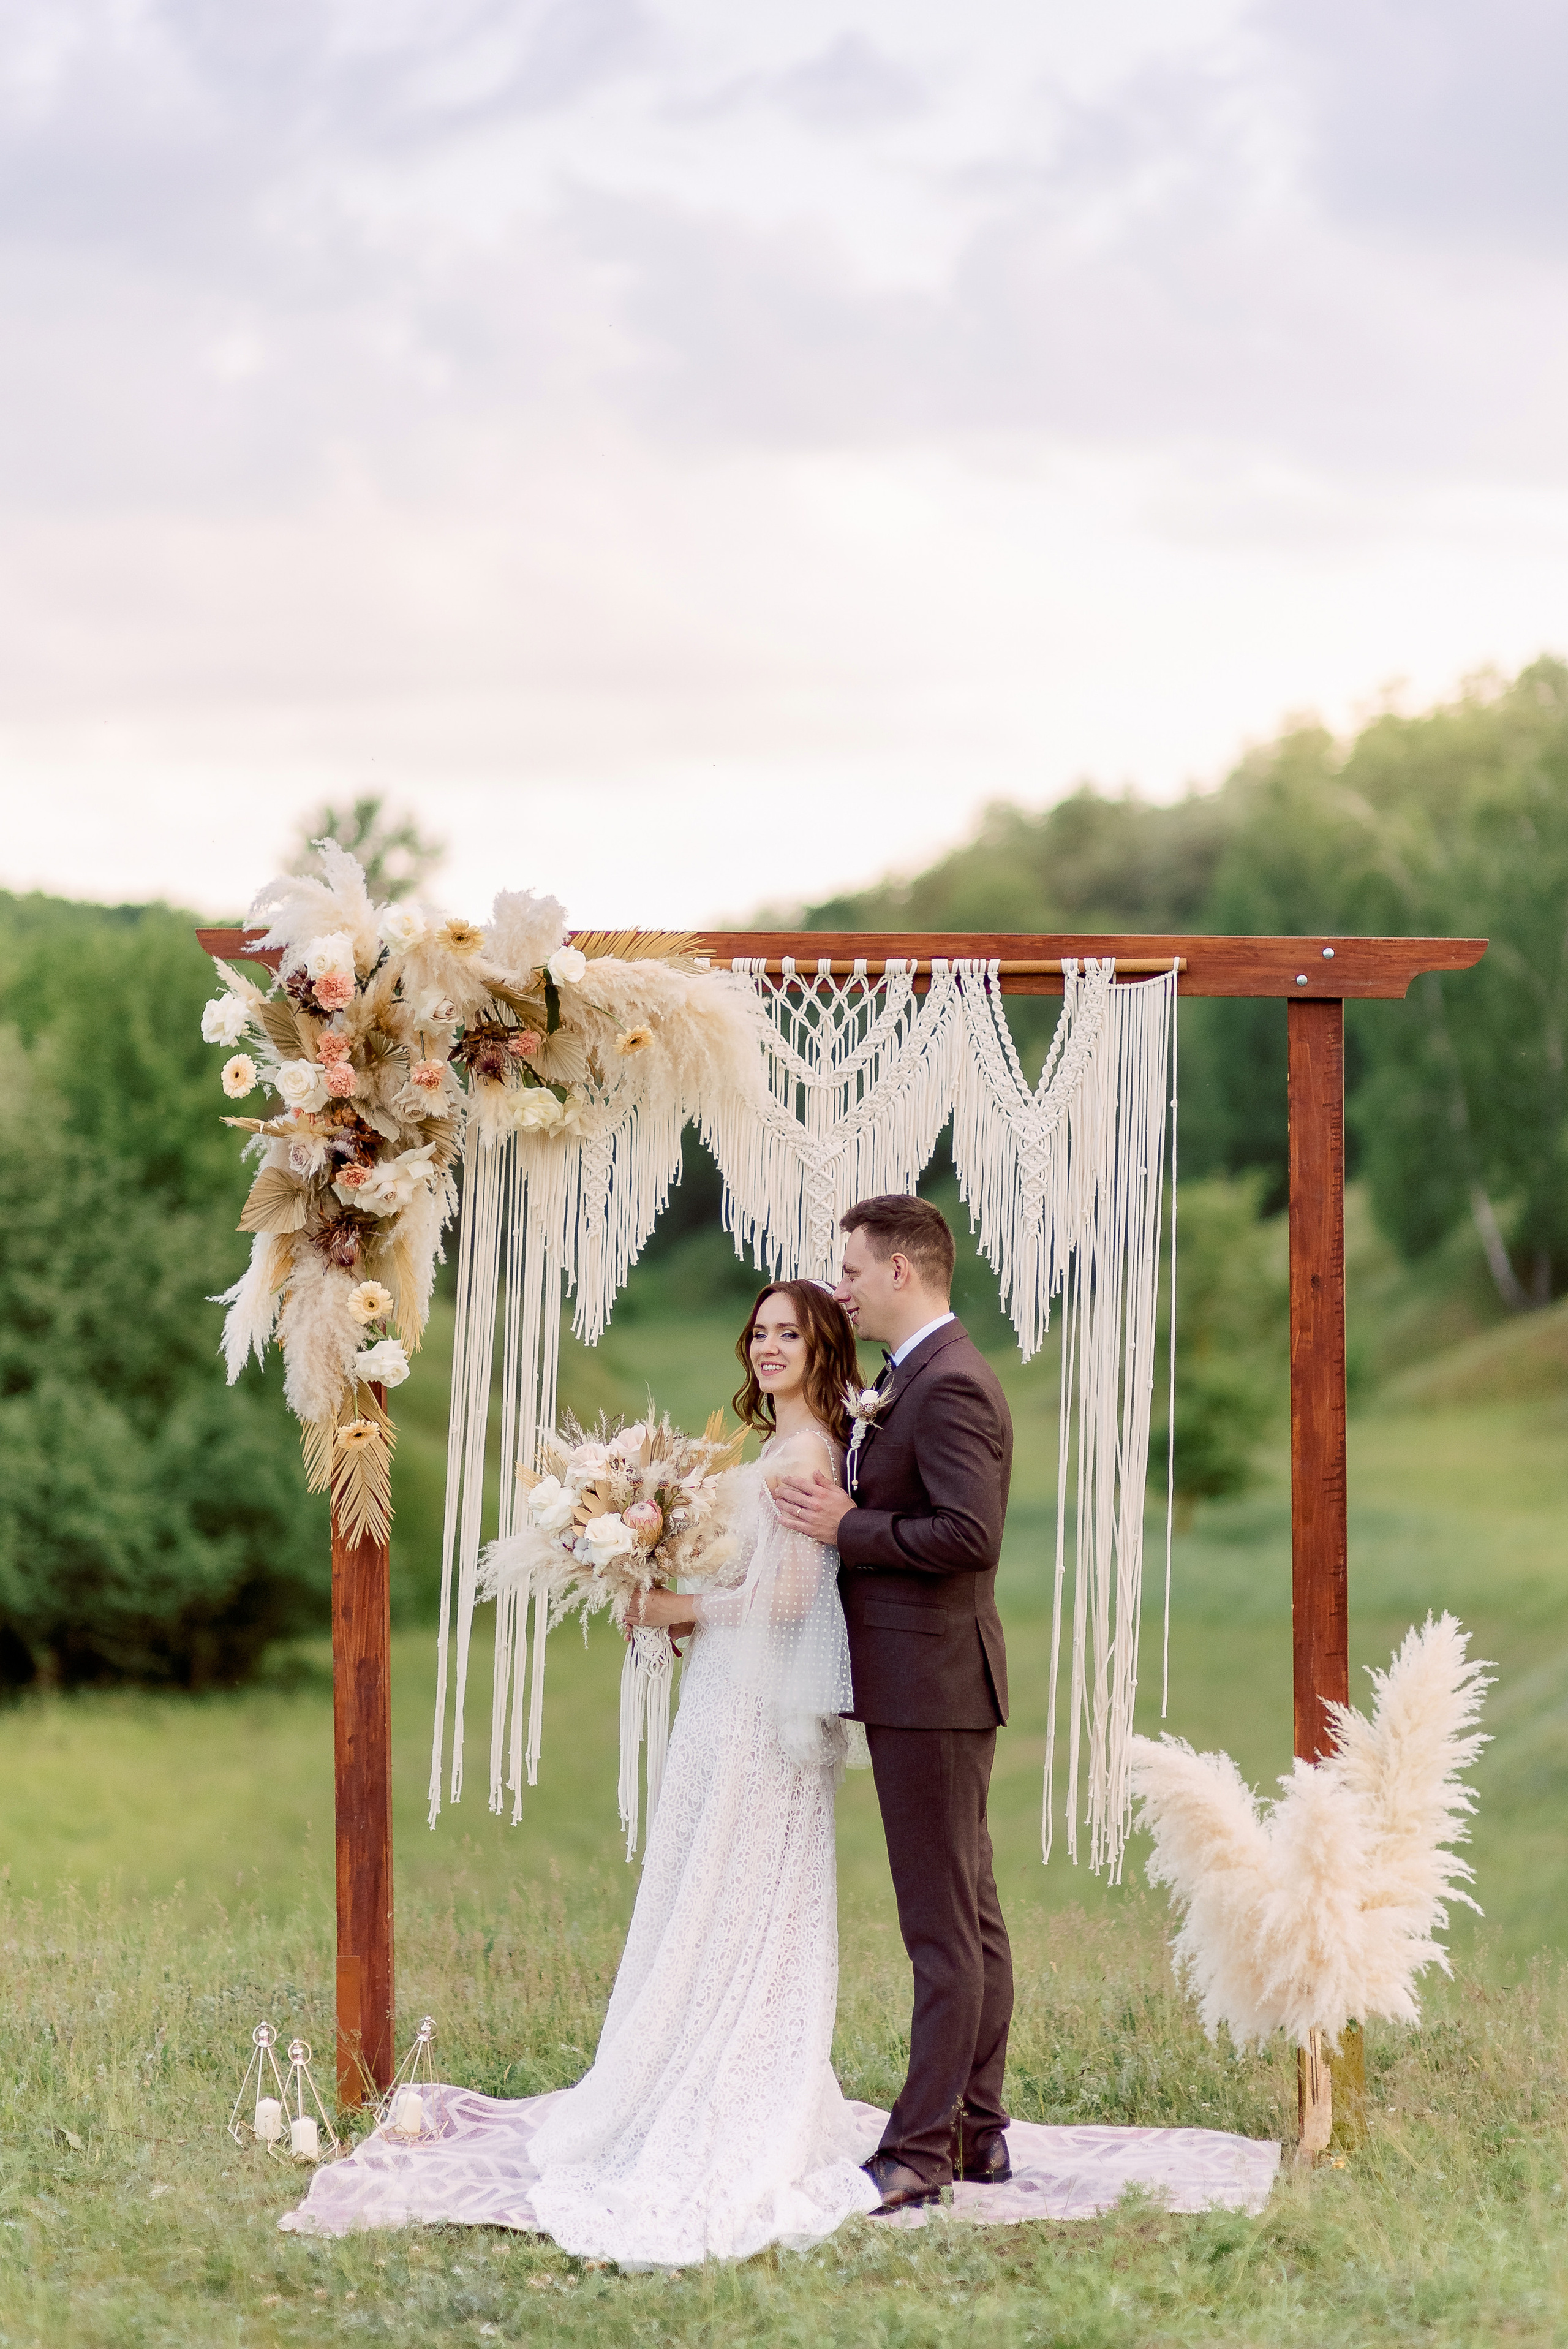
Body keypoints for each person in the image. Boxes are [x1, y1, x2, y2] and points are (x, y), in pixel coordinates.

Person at [284, 1280, 883, 2266]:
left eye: (791, 1334)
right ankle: (695, 2062)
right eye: (761, 1331)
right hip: (728, 1696)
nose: (769, 1346)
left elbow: (784, 1600)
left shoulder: (808, 1453)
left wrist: (675, 1610)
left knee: (742, 1891)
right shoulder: (782, 1446)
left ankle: (732, 2084)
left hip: (750, 1715)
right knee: (713, 1888)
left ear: (825, 1349)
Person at [775, 1193, 1015, 2215]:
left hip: (935, 1684)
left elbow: (968, 1535)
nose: (844, 1285)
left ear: (904, 1271)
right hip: (925, 1684)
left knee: (941, 1929)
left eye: (855, 1270)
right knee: (972, 1915)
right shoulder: (907, 1375)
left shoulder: (952, 1384)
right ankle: (977, 2130)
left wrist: (848, 1523)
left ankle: (920, 2150)